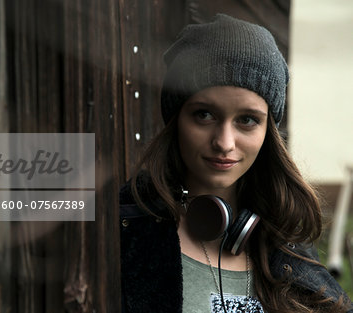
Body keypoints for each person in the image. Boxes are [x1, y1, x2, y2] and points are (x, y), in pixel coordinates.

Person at [119, 14, 353, 313]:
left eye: (247, 120)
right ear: (176, 119)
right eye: (205, 114)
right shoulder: (126, 232)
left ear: (267, 131)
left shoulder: (290, 250)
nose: (225, 142)